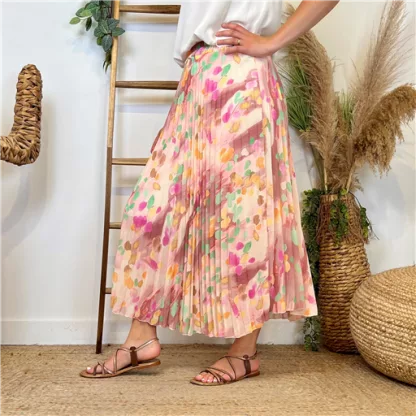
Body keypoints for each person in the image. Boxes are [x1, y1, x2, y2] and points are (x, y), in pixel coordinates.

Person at [80, 0, 339, 384]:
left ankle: (244, 351)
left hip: (244, 79)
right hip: (197, 78)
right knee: (151, 210)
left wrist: (271, 42)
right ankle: (141, 339)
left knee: (245, 220)